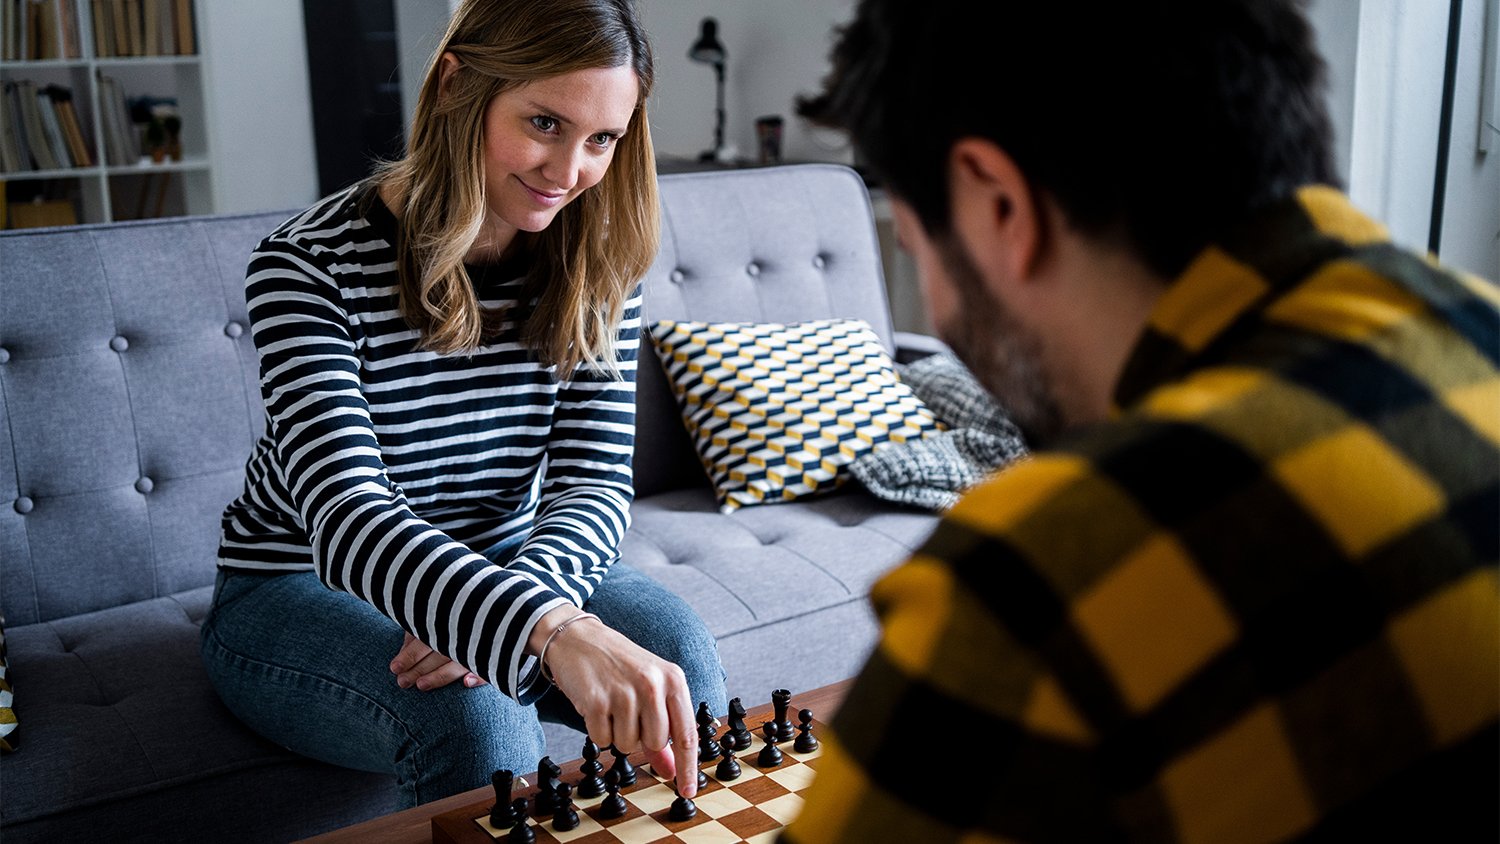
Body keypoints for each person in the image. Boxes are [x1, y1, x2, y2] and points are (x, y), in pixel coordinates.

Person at [786, 1, 1498, 841]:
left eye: (912, 243)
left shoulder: (1044, 579)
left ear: (997, 204)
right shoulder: (1480, 326)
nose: (936, 314)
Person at [199, 0, 725, 808]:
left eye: (602, 140)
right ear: (456, 85)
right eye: (544, 122)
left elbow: (592, 484)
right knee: (471, 708)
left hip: (510, 561)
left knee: (676, 650)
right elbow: (346, 521)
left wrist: (521, 605)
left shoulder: (603, 259)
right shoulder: (305, 266)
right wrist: (541, 630)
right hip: (298, 585)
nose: (568, 171)